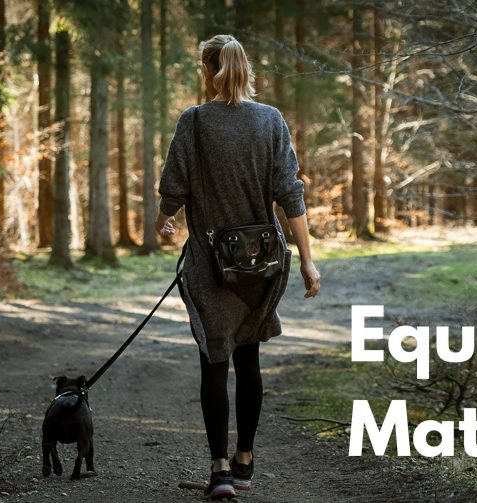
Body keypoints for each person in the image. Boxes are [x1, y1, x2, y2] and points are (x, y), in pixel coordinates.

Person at [154, 34, 321, 500]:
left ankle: (219, 470)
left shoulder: (194, 122)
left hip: (210, 262)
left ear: (206, 71)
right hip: (263, 262)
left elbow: (174, 192)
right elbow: (290, 195)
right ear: (245, 69)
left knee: (214, 360)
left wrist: (162, 224)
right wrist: (307, 259)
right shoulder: (270, 121)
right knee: (249, 359)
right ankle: (245, 460)